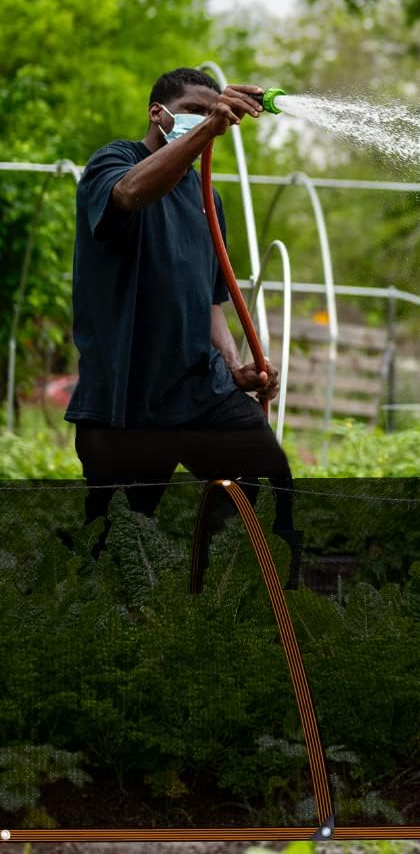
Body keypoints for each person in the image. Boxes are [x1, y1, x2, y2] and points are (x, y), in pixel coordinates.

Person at [61, 67, 301, 585]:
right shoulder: (115, 161)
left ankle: (211, 591)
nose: (205, 120)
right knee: (118, 536)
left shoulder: (207, 197)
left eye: (212, 113)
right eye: (194, 110)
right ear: (158, 113)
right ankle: (94, 608)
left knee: (265, 476)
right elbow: (129, 195)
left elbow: (212, 300)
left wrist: (234, 367)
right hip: (126, 398)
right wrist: (209, 128)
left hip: (198, 391)